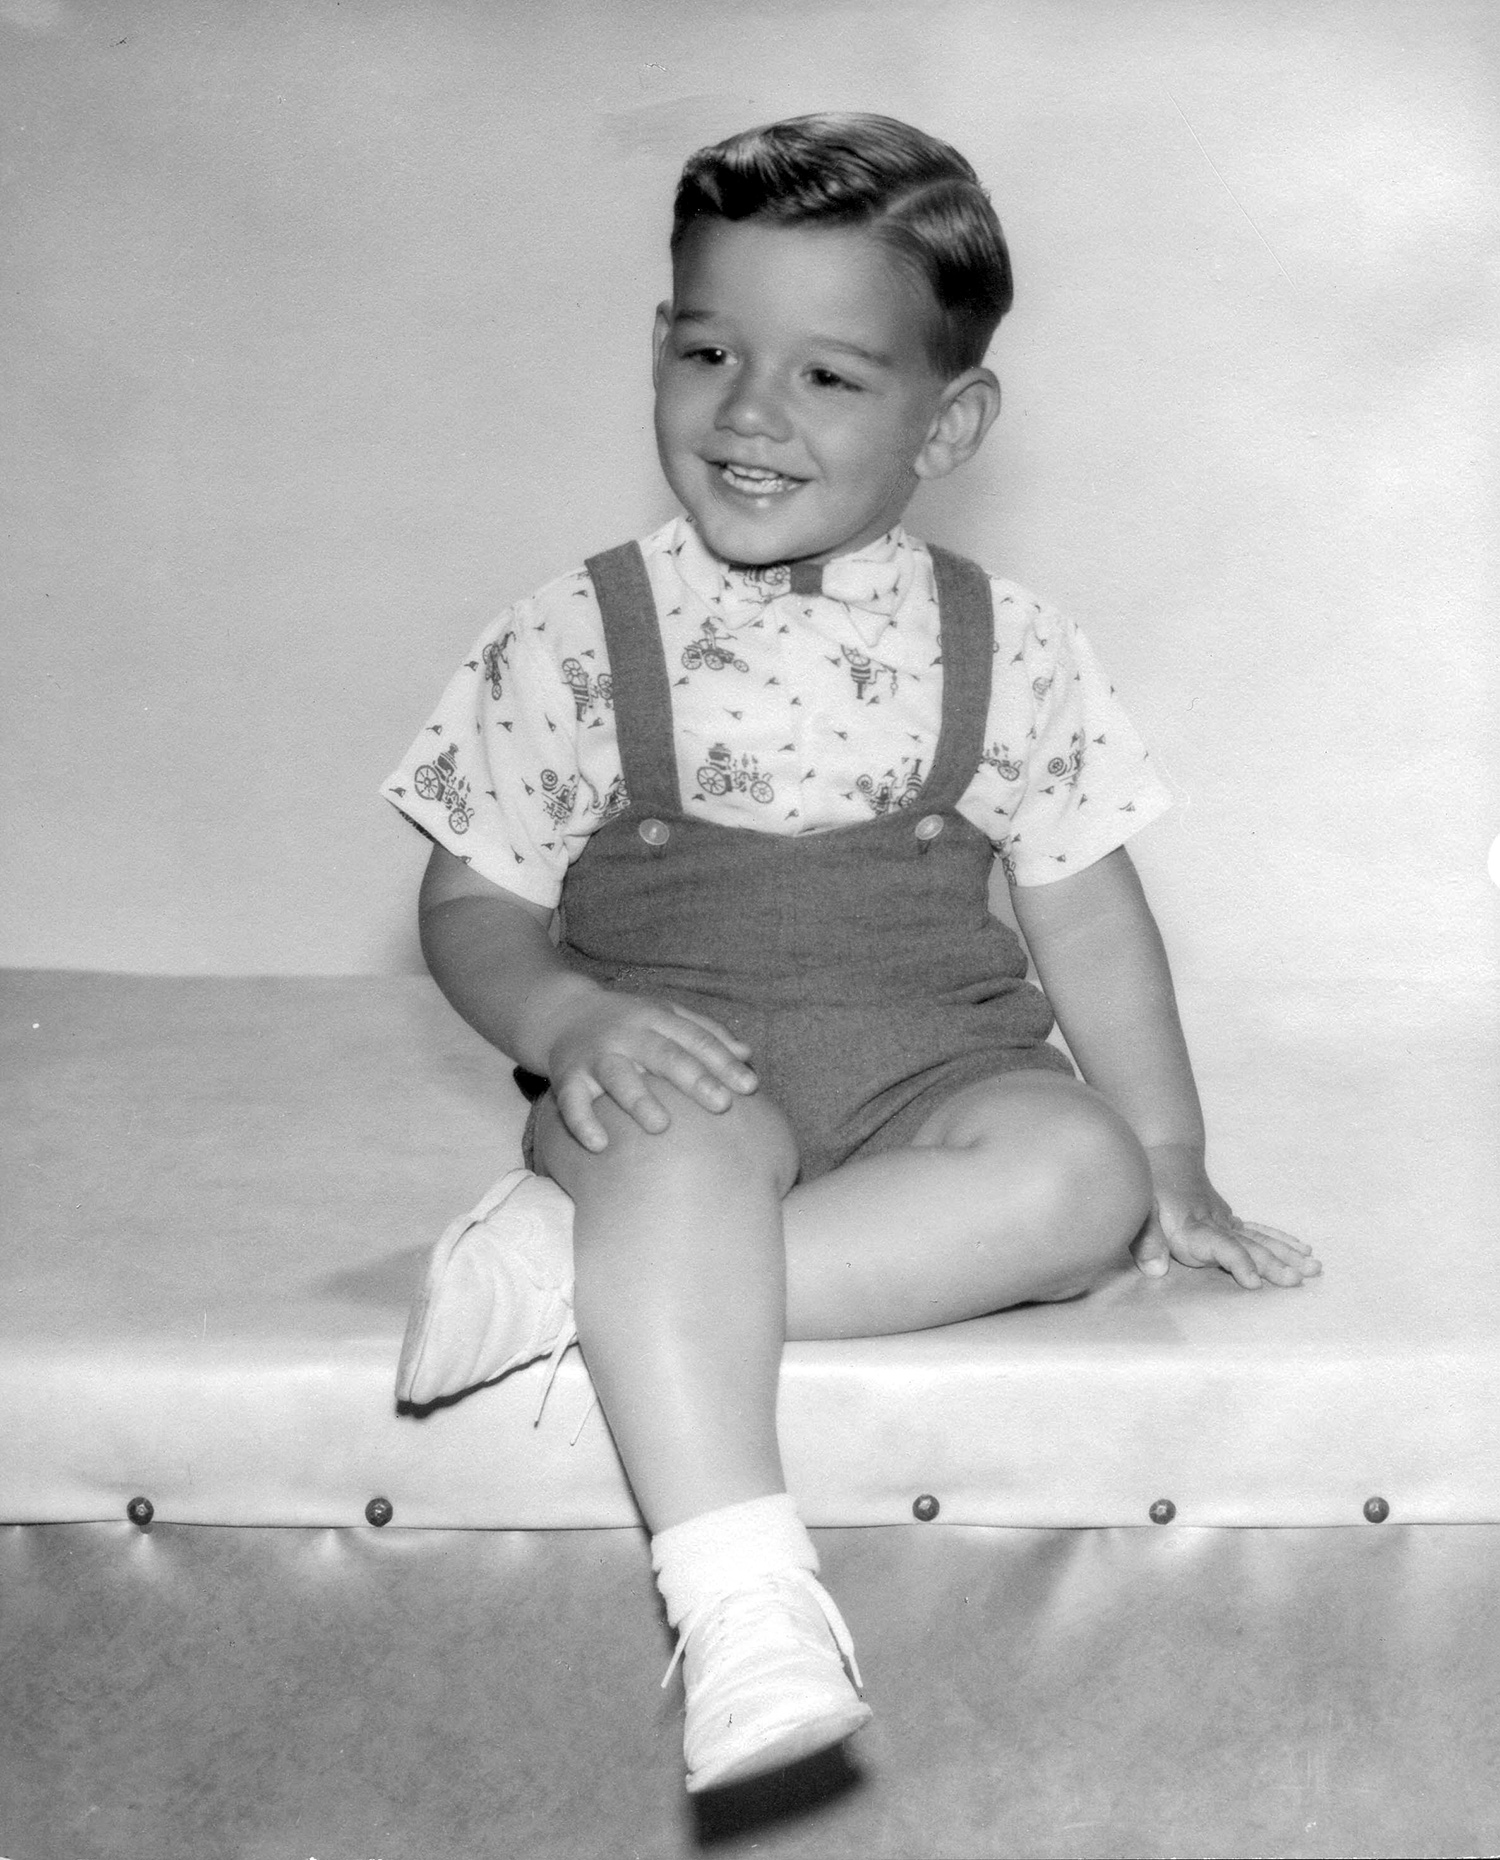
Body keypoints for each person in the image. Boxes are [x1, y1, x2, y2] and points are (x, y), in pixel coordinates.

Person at [382, 112, 1320, 1795]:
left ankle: (592, 1286)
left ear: (947, 421)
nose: (749, 410)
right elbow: (472, 901)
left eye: (828, 377)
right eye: (711, 350)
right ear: (657, 350)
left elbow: (1087, 911)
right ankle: (742, 1596)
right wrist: (573, 1014)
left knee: (1076, 1185)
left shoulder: (1011, 645)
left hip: (931, 1067)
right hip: (676, 1062)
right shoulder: (577, 632)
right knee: (680, 1152)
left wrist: (1174, 1159)